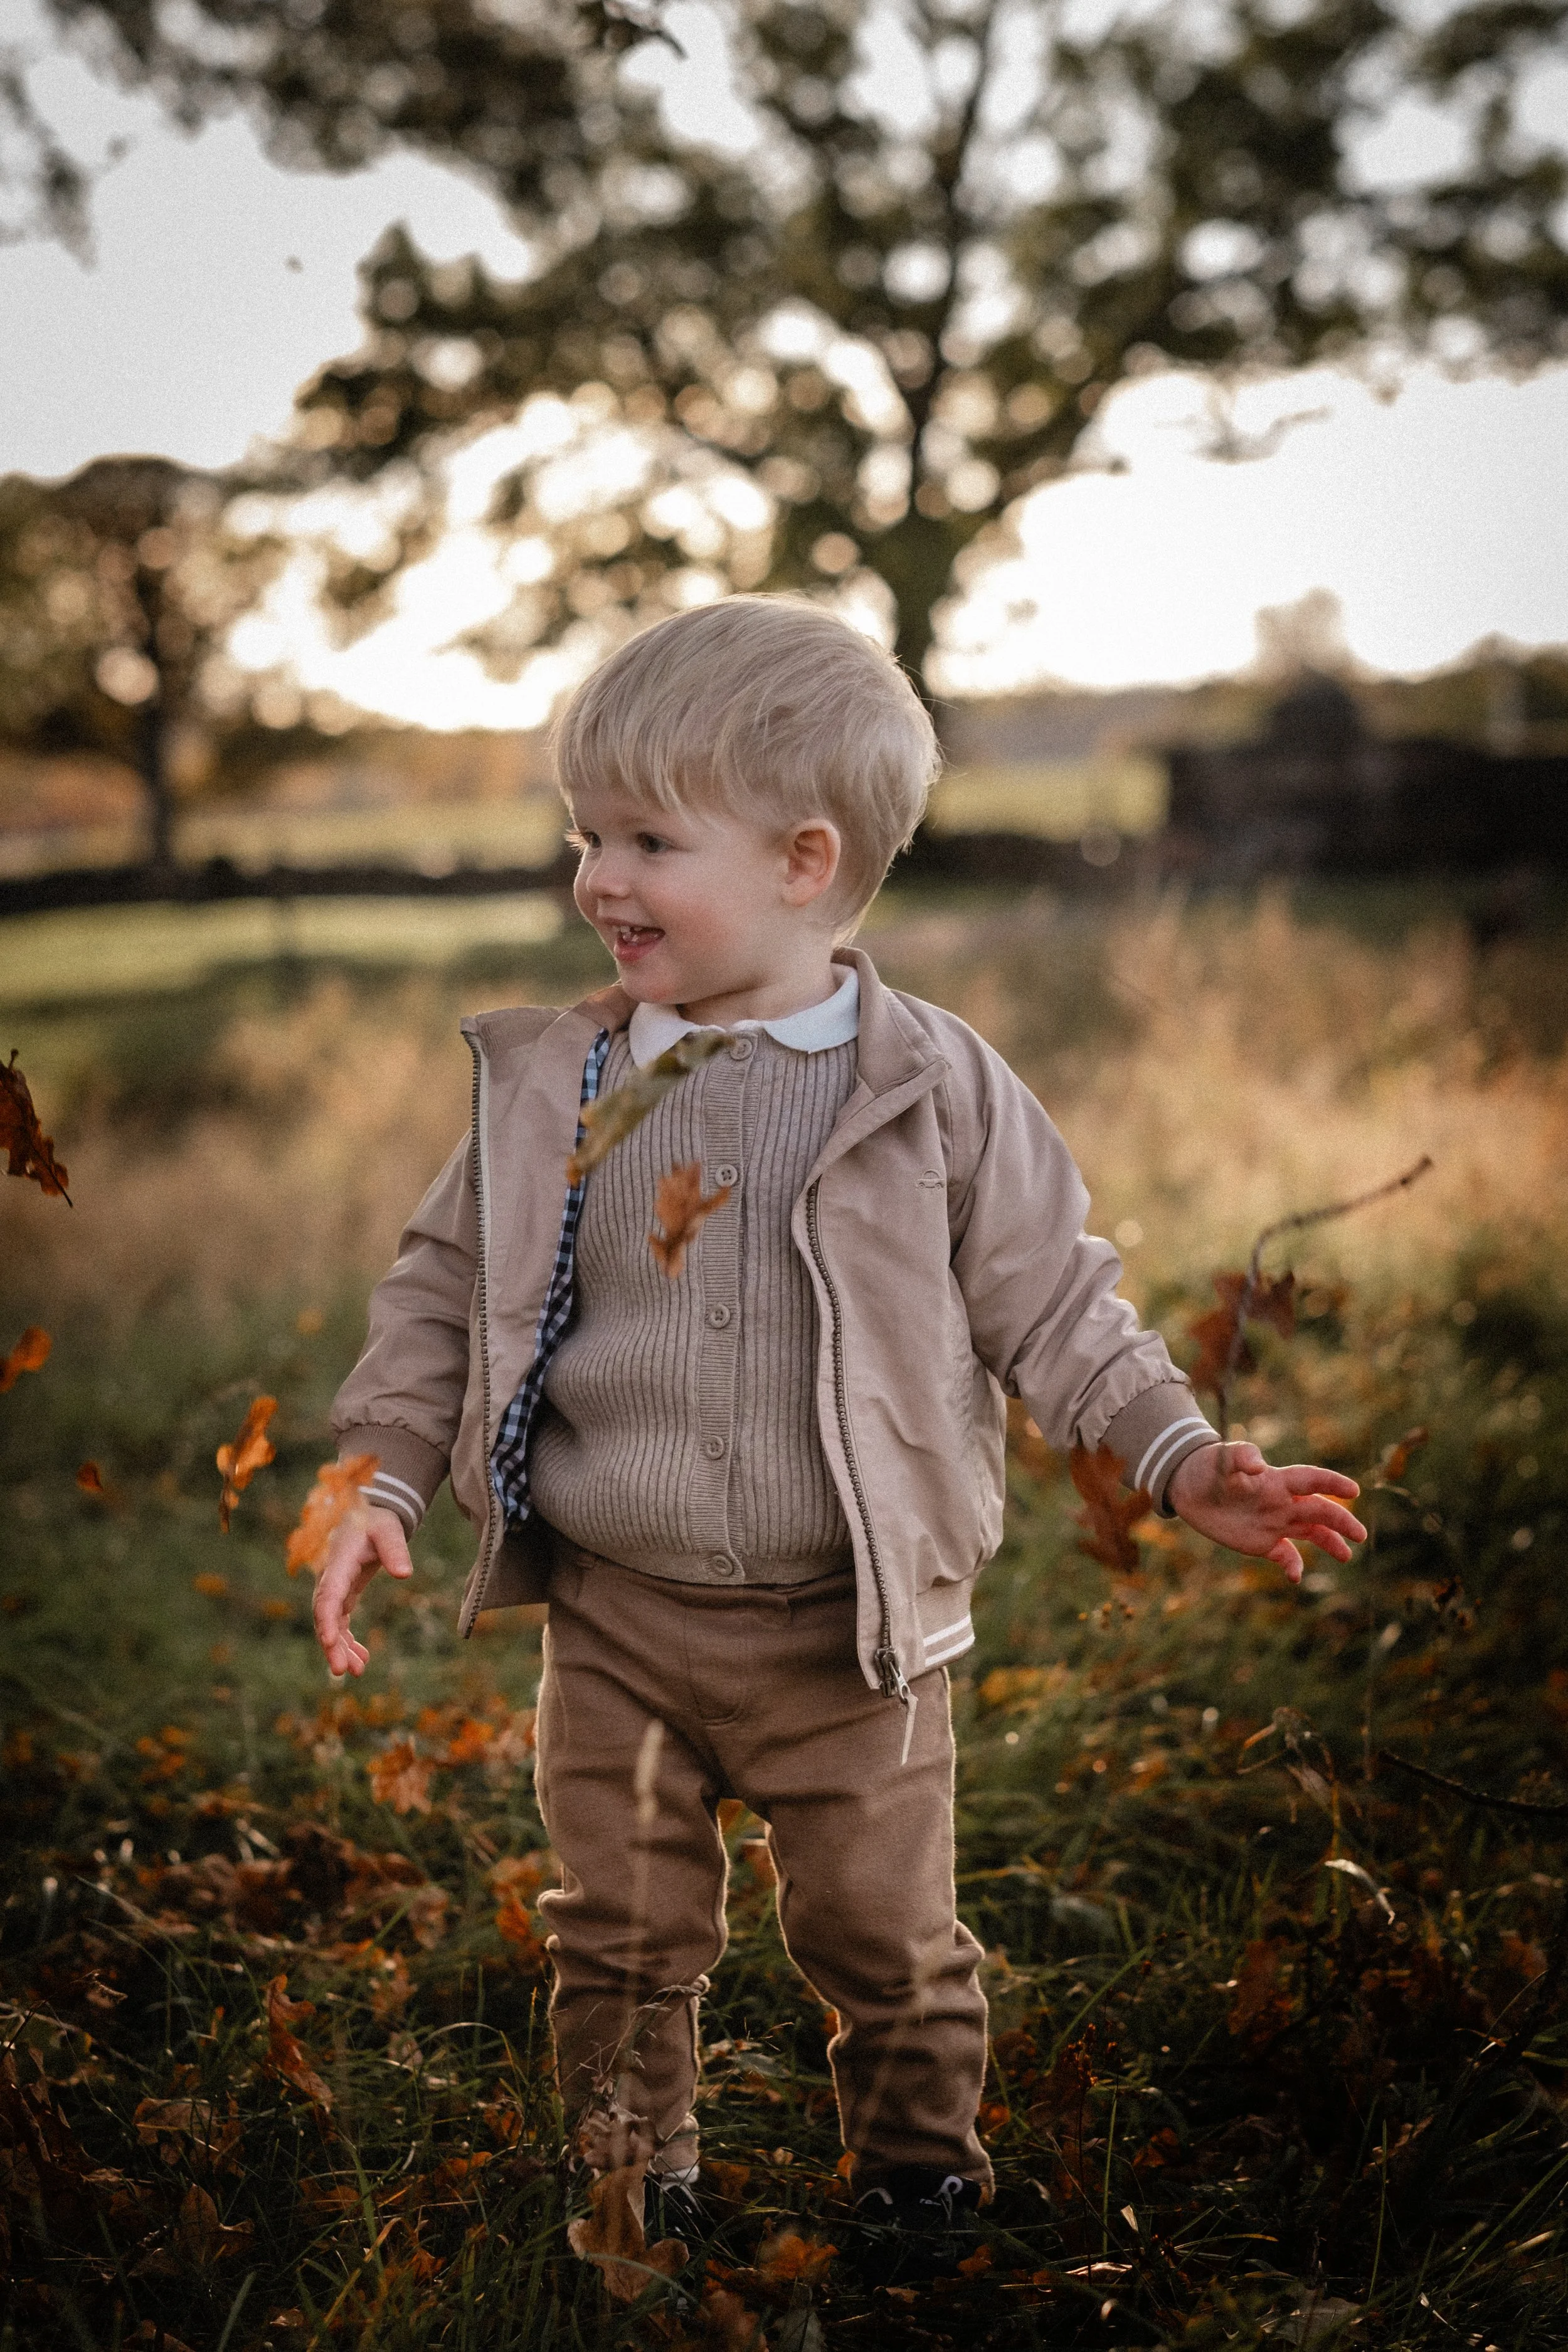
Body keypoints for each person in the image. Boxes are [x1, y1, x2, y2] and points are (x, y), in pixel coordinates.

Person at [312, 596, 1365, 2267]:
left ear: (805, 862)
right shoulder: (582, 1088)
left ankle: (915, 2174)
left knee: (881, 1931)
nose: (598, 875)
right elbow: (448, 1282)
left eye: (648, 837)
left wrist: (1175, 1453)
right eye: (587, 834)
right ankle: (632, 2178)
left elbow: (1055, 1299)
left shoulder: (925, 1087)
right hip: (620, 1622)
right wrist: (375, 1476)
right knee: (623, 1930)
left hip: (852, 1632)